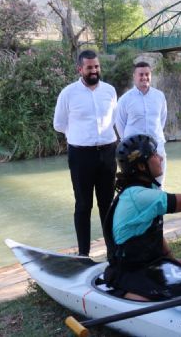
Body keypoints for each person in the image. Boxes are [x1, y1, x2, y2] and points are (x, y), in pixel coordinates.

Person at [103, 134, 181, 301]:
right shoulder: (141, 196)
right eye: (153, 155)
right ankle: (120, 293)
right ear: (141, 166)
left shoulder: (146, 188)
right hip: (128, 270)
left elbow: (153, 230)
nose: (160, 158)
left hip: (148, 264)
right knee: (155, 297)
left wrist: (171, 260)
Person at [53, 50, 117, 256]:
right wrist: (81, 138)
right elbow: (59, 124)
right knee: (83, 205)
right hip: (81, 156)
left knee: (108, 204)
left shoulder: (109, 91)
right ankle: (83, 255)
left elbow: (114, 120)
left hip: (108, 153)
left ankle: (113, 252)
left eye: (96, 66)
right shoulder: (68, 93)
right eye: (89, 67)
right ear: (80, 69)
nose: (94, 71)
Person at [115, 62, 168, 185]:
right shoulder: (125, 99)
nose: (144, 77)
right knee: (136, 187)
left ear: (151, 75)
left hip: (157, 150)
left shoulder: (159, 96)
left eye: (147, 74)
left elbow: (161, 120)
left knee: (158, 187)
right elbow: (120, 125)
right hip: (134, 154)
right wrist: (132, 145)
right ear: (134, 76)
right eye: (141, 74)